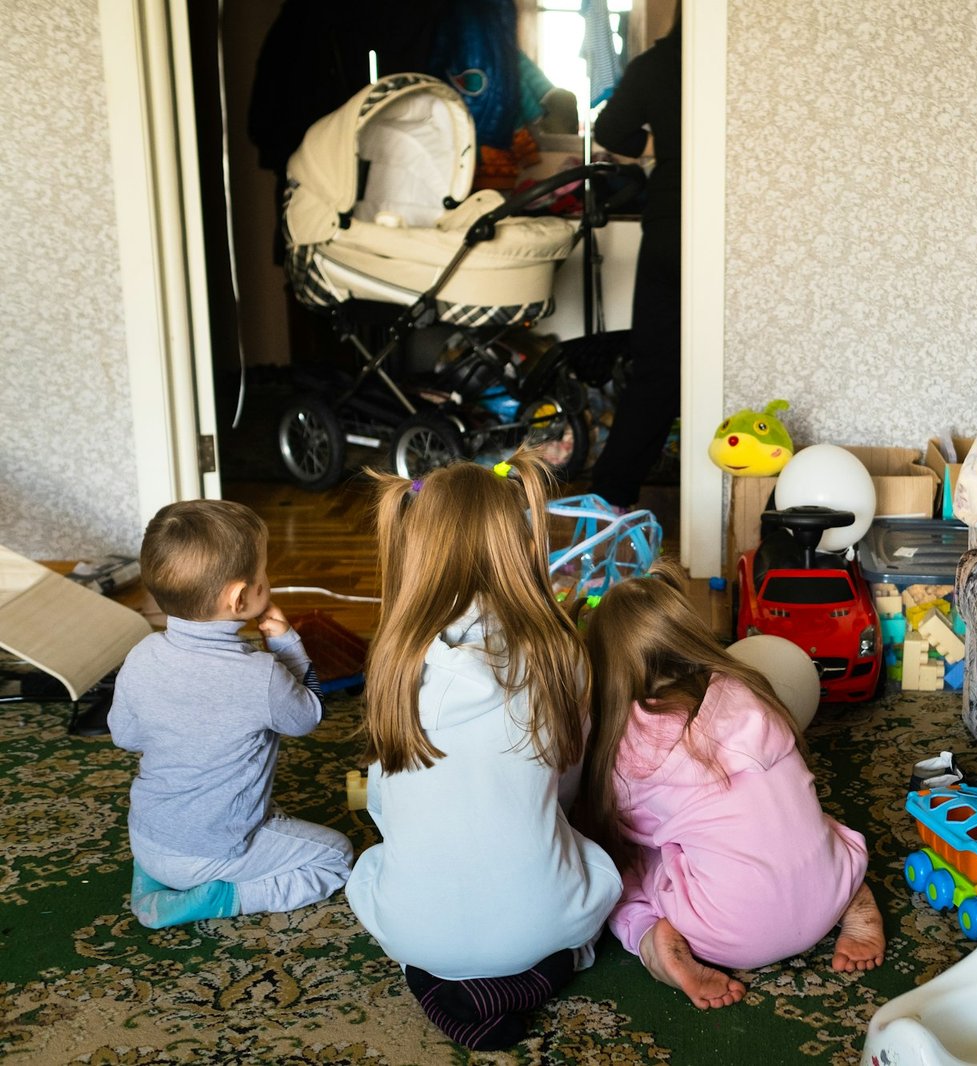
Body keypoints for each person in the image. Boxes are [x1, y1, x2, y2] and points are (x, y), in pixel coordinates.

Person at [344, 448, 622, 1051]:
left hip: (416, 936)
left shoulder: (394, 659)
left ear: (416, 545)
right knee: (596, 864)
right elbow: (564, 787)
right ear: (520, 541)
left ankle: (438, 983)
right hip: (542, 922)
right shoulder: (560, 650)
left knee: (368, 871)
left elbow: (386, 807)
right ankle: (540, 972)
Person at [578, 561, 885, 1009]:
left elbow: (629, 833)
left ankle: (649, 939)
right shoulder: (747, 690)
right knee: (798, 816)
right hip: (827, 888)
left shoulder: (629, 745)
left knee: (622, 863)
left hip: (726, 931)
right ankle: (850, 895)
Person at [108, 501, 353, 929]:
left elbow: (124, 736)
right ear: (240, 597)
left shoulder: (140, 654)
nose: (268, 582)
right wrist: (289, 646)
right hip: (214, 853)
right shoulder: (262, 675)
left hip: (147, 838)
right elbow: (308, 715)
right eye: (263, 576)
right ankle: (223, 897)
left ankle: (153, 878)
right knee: (336, 858)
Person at [587, 17, 681, 508]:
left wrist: (663, 146)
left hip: (669, 224)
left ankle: (611, 494)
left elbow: (609, 128)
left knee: (656, 368)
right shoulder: (739, 63)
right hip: (722, 224)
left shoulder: (656, 63)